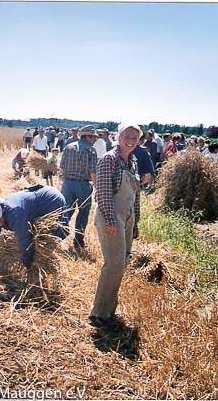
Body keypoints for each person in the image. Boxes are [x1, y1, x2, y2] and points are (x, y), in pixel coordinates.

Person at [89, 122, 142, 328]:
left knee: (122, 263)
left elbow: (136, 195)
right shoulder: (108, 160)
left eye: (134, 138)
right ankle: (99, 315)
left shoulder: (133, 161)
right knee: (114, 264)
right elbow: (102, 194)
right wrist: (111, 221)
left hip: (127, 217)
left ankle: (109, 309)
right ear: (118, 138)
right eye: (126, 136)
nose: (130, 141)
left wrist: (135, 221)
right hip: (110, 216)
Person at [0, 186, 67, 275]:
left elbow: (25, 241)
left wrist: (28, 264)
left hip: (52, 201)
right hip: (36, 203)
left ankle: (44, 270)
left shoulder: (15, 215)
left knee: (47, 239)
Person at [59, 125, 98, 249]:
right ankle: (78, 241)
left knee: (65, 213)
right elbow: (93, 172)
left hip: (68, 184)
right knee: (83, 214)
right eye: (93, 137)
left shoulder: (68, 147)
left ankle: (56, 238)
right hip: (83, 185)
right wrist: (96, 187)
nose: (95, 139)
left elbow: (62, 167)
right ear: (87, 136)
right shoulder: (91, 150)